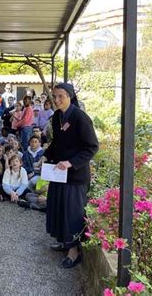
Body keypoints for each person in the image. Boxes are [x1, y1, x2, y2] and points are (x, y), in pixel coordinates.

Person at [41, 83, 98, 269]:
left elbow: (92, 146)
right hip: (59, 173)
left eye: (61, 96)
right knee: (58, 209)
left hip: (75, 175)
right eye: (54, 96)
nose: (57, 100)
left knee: (72, 213)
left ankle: (74, 252)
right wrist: (46, 155)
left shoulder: (80, 117)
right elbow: (56, 142)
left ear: (70, 96)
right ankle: (65, 242)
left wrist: (71, 162)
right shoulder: (57, 116)